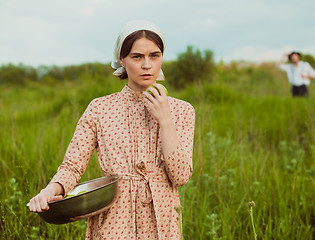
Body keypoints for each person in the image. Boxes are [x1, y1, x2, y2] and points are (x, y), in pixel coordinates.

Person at [28, 20, 195, 240]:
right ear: (122, 60)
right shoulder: (99, 108)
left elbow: (181, 176)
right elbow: (72, 166)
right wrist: (50, 191)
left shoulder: (182, 110)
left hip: (162, 219)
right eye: (137, 57)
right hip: (114, 219)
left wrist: (165, 120)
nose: (147, 65)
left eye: (154, 55)